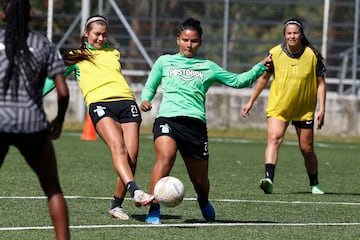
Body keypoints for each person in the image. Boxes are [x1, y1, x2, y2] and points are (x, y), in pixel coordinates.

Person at [140, 17, 272, 224]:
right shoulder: (164, 61)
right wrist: (145, 100)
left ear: (200, 42)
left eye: (193, 41)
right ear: (178, 40)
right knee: (165, 158)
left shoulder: (207, 66)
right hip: (168, 120)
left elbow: (238, 81)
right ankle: (154, 208)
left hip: (195, 126)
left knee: (200, 181)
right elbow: (150, 86)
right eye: (185, 40)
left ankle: (203, 201)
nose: (188, 45)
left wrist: (259, 67)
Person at [44, 15, 154, 220]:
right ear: (86, 33)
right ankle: (136, 191)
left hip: (127, 103)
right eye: (96, 34)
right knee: (117, 147)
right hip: (100, 104)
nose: (101, 38)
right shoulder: (75, 56)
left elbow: (107, 53)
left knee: (132, 158)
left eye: (104, 34)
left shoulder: (114, 52)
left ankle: (116, 206)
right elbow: (52, 81)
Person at [0, 0, 70, 239]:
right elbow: (62, 92)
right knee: (52, 188)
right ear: (31, 13)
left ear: (2, 15)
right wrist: (58, 121)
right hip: (33, 125)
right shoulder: (44, 44)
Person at [241, 18, 326, 195]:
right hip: (279, 107)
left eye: (295, 33)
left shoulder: (312, 55)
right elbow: (263, 79)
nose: (292, 36)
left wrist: (322, 109)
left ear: (301, 34)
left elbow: (321, 83)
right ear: (284, 35)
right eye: (289, 33)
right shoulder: (274, 54)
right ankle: (269, 180)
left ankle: (314, 183)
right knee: (274, 139)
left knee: (307, 149)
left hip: (304, 110)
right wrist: (251, 101)